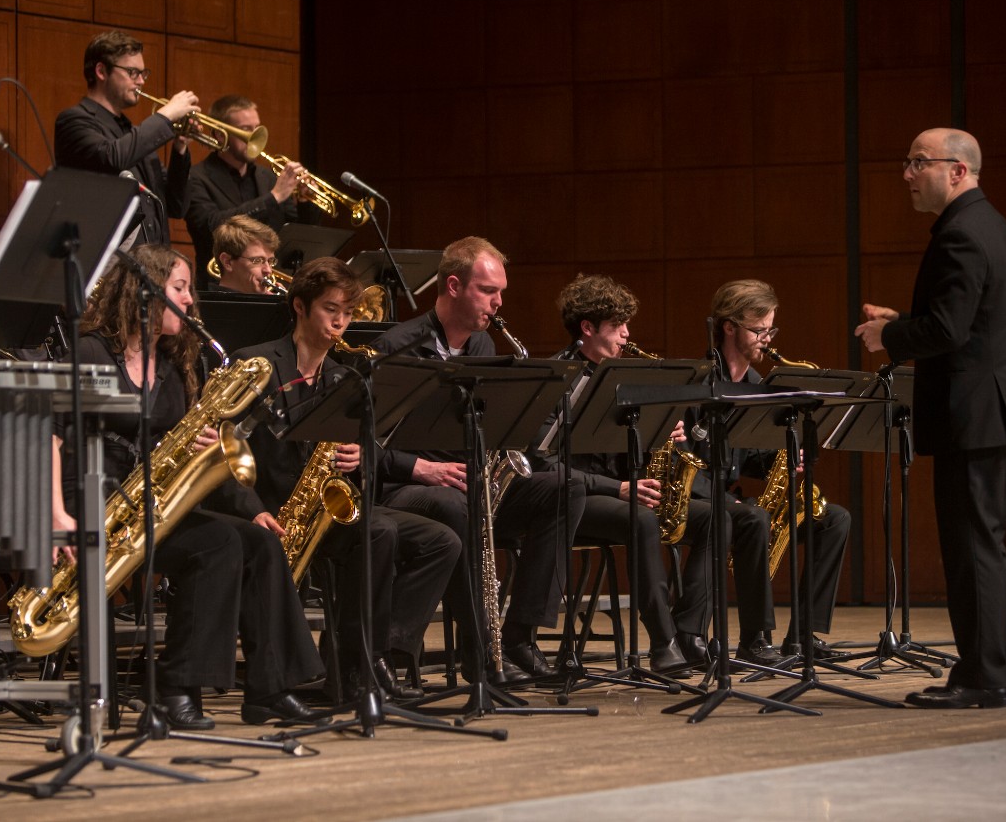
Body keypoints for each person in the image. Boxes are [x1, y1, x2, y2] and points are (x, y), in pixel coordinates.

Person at [51, 244, 322, 729]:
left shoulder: (177, 365)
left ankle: (269, 687)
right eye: (180, 288)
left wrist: (245, 501)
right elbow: (45, 434)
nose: (191, 301)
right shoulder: (91, 351)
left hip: (155, 502)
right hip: (95, 498)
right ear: (144, 291)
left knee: (258, 540)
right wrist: (56, 515)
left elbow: (185, 449)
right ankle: (176, 688)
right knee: (216, 544)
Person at [856, 128, 1006, 709]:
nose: (907, 174)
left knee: (973, 548)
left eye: (917, 163)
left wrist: (891, 335)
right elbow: (969, 323)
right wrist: (904, 320)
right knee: (979, 546)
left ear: (957, 170)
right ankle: (985, 670)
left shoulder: (961, 234)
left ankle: (988, 678)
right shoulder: (990, 225)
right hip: (993, 412)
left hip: (974, 416)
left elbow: (950, 330)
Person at [227, 257, 460, 700]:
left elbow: (369, 449)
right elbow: (222, 453)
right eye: (330, 309)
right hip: (269, 509)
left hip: (324, 508)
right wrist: (252, 510)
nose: (340, 322)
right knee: (382, 530)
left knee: (440, 541)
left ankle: (369, 656)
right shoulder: (254, 363)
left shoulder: (345, 376)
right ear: (299, 306)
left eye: (348, 313)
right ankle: (354, 668)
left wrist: (360, 456)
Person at [369, 236, 586, 683]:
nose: (499, 302)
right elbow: (363, 443)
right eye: (489, 292)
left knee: (565, 486)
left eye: (500, 292)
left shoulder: (483, 347)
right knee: (455, 506)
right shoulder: (398, 346)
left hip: (468, 485)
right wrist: (422, 468)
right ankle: (480, 655)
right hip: (406, 488)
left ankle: (518, 636)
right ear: (453, 285)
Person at [539, 274, 710, 674]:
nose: (627, 335)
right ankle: (662, 640)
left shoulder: (627, 379)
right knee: (642, 519)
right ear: (588, 328)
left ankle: (691, 631)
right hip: (576, 497)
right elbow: (544, 462)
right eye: (618, 326)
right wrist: (617, 488)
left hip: (626, 489)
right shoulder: (555, 381)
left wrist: (662, 431)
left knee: (715, 516)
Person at [679, 279, 852, 668]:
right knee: (752, 516)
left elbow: (755, 458)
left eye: (771, 330)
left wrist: (787, 459)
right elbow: (681, 464)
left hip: (735, 502)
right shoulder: (694, 385)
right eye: (759, 330)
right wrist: (729, 499)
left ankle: (804, 636)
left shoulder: (761, 388)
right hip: (700, 499)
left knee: (835, 518)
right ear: (729, 327)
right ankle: (756, 639)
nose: (767, 340)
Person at [55, 30, 197, 247]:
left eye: (143, 73)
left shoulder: (132, 133)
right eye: (132, 72)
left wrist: (180, 148)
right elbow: (111, 158)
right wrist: (165, 115)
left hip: (153, 267)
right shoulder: (74, 121)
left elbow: (176, 206)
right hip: (109, 267)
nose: (141, 81)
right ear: (102, 71)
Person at [185, 94, 301, 285]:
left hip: (269, 286)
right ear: (220, 134)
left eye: (257, 128)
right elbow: (211, 226)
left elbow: (294, 233)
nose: (255, 137)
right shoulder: (196, 177)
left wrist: (305, 202)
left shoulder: (270, 178)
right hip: (219, 288)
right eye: (245, 130)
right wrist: (273, 198)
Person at [210, 215, 282, 295]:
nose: (268, 270)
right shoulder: (208, 306)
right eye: (257, 260)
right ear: (227, 262)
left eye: (270, 261)